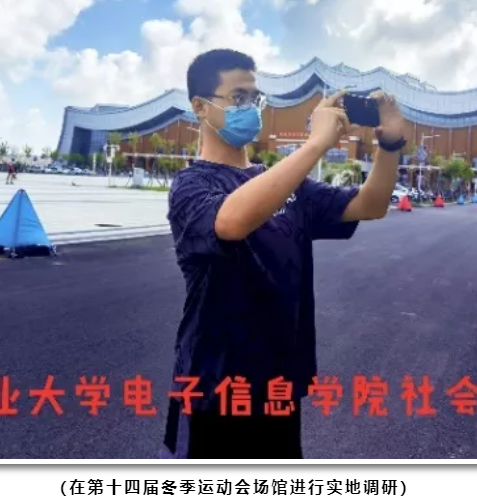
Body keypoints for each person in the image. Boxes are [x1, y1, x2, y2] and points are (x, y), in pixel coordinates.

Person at [162, 49, 404, 459]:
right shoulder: (191, 186)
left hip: (278, 385)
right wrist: (316, 144)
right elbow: (231, 222)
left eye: (255, 99)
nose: (251, 109)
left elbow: (371, 204)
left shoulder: (289, 186)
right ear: (200, 107)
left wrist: (391, 144)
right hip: (213, 388)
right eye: (238, 97)